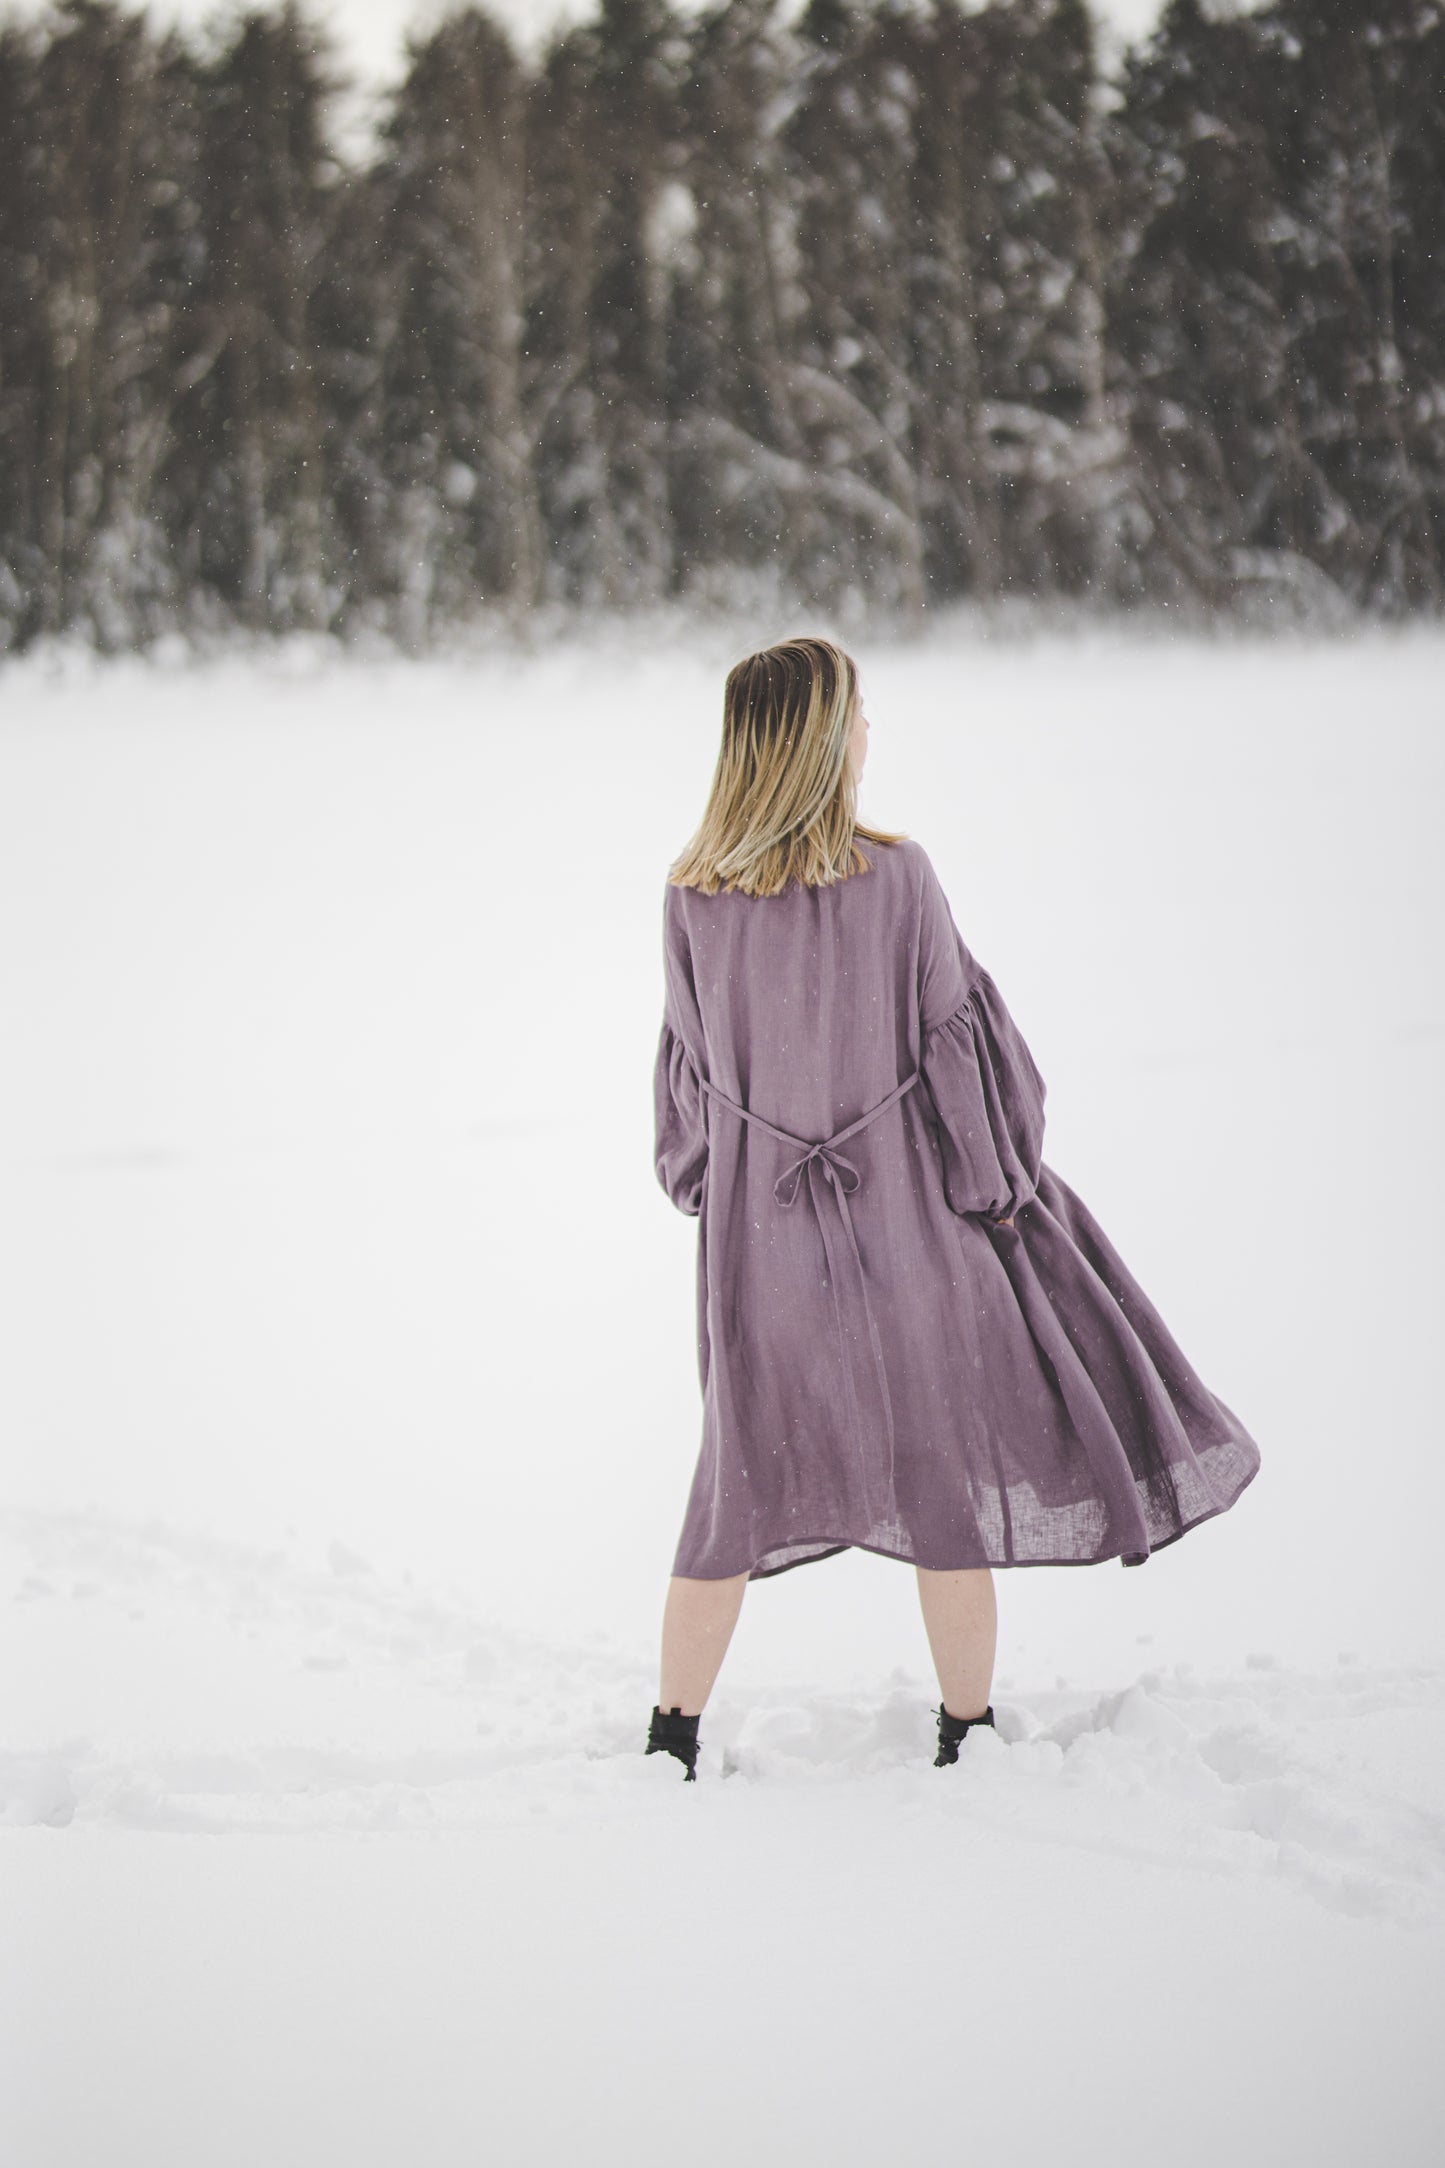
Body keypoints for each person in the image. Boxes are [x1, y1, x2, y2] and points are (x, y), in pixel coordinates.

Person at [648, 637, 1261, 1780]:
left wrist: (705, 1182)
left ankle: (670, 1735)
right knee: (943, 1488)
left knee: (728, 1493)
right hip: (905, 1242)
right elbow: (962, 1060)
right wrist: (995, 1182)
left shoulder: (693, 898)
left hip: (757, 1257)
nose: (870, 728)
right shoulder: (898, 880)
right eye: (859, 710)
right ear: (822, 740)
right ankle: (965, 1732)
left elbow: (687, 1098)